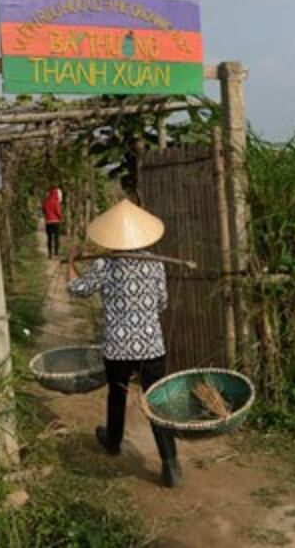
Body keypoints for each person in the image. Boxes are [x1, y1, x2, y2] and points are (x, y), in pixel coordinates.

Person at [66, 199, 182, 488]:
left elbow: (77, 289)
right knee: (157, 401)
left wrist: (71, 262)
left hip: (118, 348)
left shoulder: (105, 264)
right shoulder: (155, 264)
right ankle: (170, 464)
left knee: (116, 394)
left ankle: (113, 441)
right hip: (152, 345)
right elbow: (162, 303)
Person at [42, 186, 62, 258]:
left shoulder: (46, 201)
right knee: (56, 238)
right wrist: (61, 217)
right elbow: (58, 212)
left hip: (48, 222)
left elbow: (43, 210)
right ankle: (56, 253)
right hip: (56, 221)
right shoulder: (56, 201)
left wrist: (47, 216)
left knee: (49, 238)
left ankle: (49, 253)